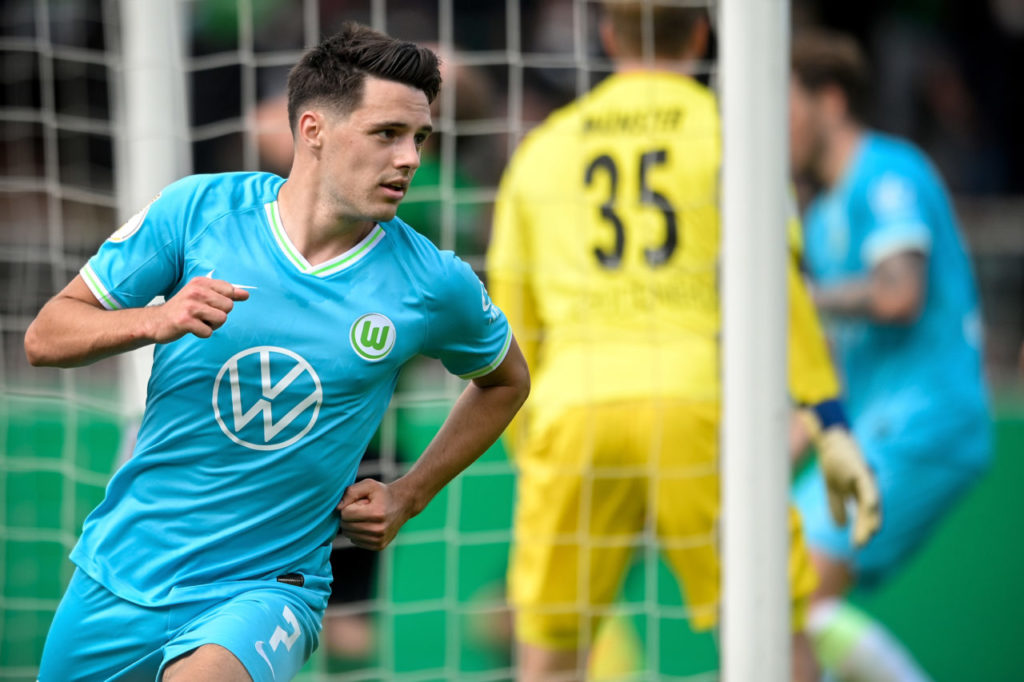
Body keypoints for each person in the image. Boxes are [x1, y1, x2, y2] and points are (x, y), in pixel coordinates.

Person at [26, 22, 529, 682]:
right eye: (387, 134)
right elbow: (46, 335)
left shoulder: (432, 281)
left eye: (419, 139)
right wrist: (153, 320)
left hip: (269, 587)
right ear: (313, 130)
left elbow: (507, 380)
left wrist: (410, 494)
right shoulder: (198, 210)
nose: (409, 157)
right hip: (123, 569)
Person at [486, 5, 878, 681]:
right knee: (774, 638)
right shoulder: (731, 134)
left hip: (575, 409)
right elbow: (779, 284)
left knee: (549, 658)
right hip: (697, 410)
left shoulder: (543, 149)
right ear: (702, 37)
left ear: (607, 38)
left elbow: (510, 315)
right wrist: (829, 418)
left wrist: (530, 442)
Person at [789, 30, 991, 682]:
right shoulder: (819, 220)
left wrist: (794, 295)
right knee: (769, 585)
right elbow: (834, 372)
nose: (771, 126)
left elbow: (900, 292)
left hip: (927, 415)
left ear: (830, 100)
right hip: (870, 425)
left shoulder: (888, 173)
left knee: (792, 590)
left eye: (783, 103)